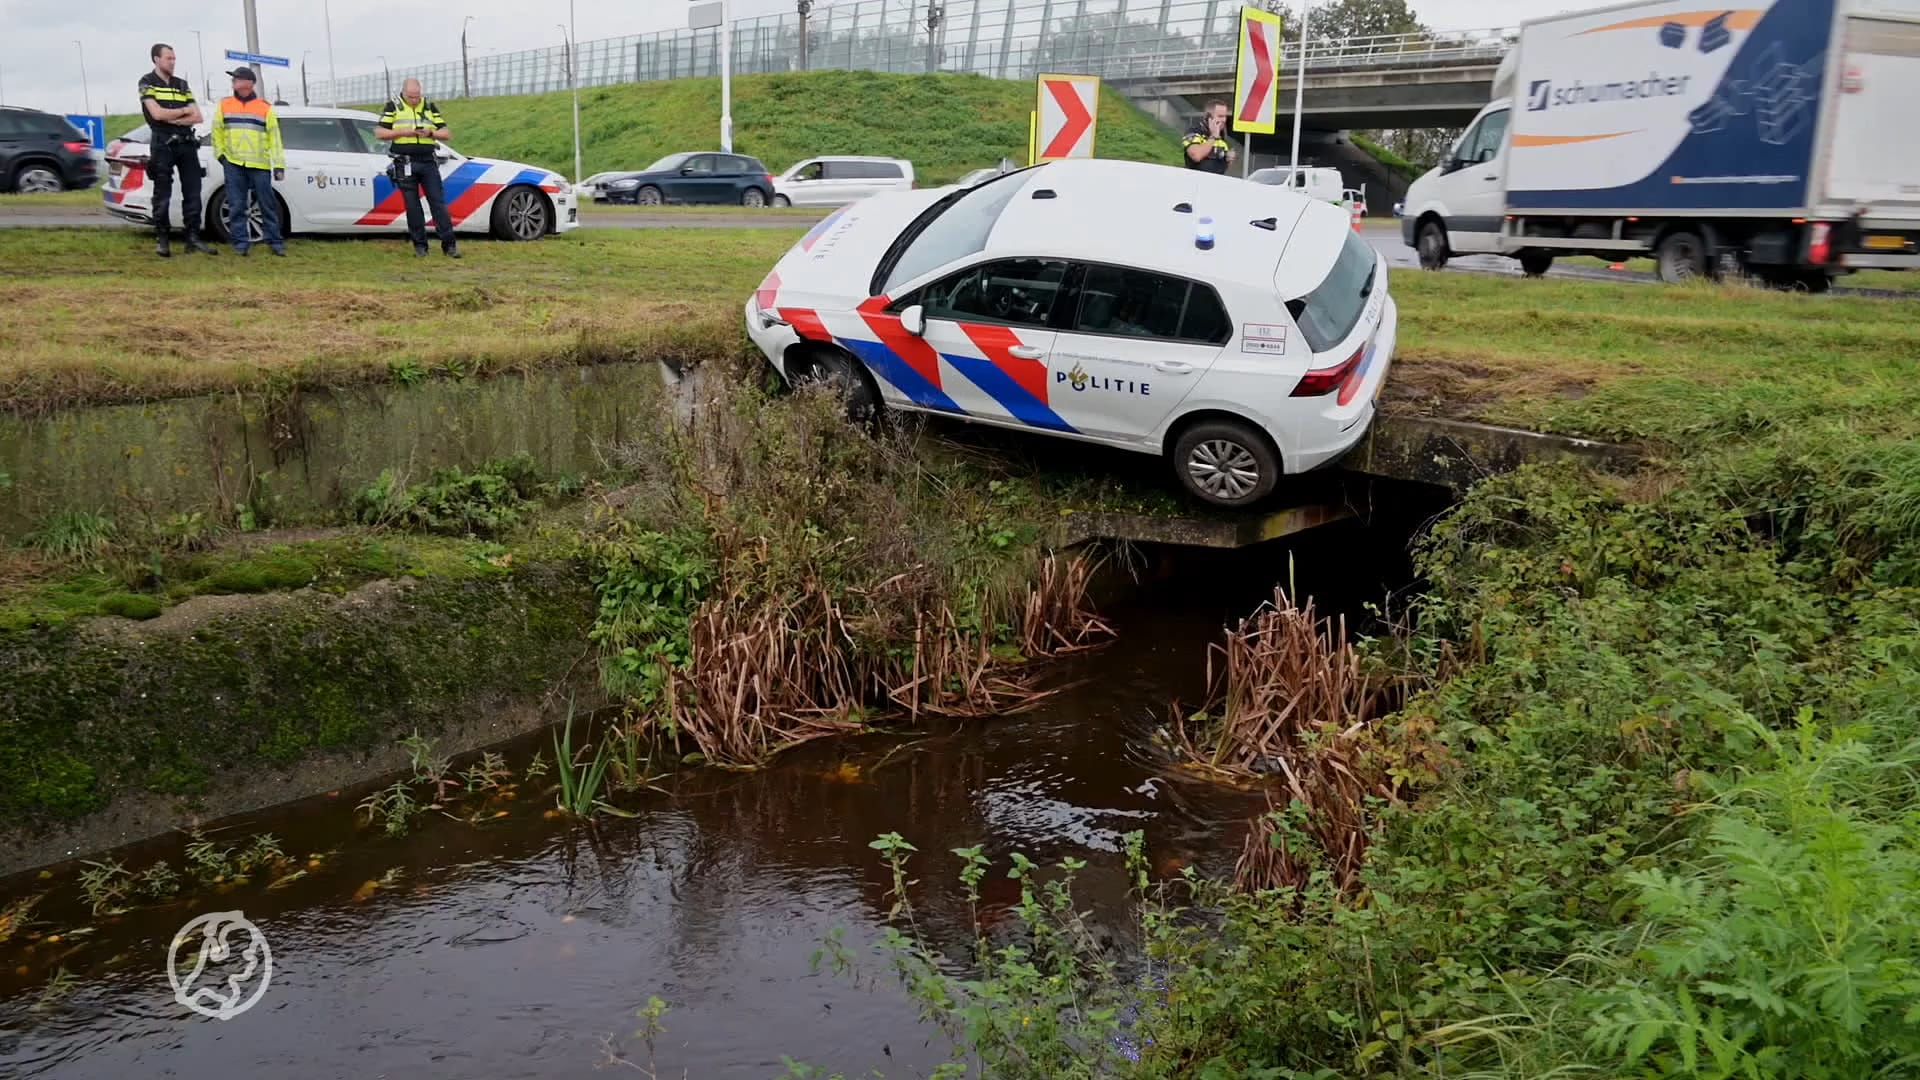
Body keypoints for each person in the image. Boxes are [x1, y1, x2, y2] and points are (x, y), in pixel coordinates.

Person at [138, 43, 214, 257]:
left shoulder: (181, 84)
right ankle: (162, 239)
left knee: (193, 190)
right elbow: (157, 114)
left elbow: (198, 116)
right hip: (163, 143)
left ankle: (192, 238)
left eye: (174, 58)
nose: (172, 62)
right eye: (168, 58)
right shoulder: (147, 82)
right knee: (162, 191)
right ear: (156, 59)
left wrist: (176, 118)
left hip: (186, 142)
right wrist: (183, 112)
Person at [376, 79, 458, 258]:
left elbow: (446, 133)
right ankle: (420, 246)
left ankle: (449, 245)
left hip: (428, 161)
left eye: (417, 96)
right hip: (405, 162)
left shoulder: (429, 106)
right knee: (412, 206)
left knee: (438, 203)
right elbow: (380, 133)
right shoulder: (393, 106)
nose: (414, 100)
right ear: (403, 93)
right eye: (411, 97)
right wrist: (403, 132)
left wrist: (431, 133)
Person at [210, 67, 286, 256]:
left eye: (237, 78)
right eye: (233, 79)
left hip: (259, 164)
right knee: (237, 205)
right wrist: (221, 156)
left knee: (267, 204)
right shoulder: (224, 105)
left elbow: (274, 138)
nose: (234, 81)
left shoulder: (264, 107)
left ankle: (274, 242)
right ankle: (241, 244)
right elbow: (216, 131)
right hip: (234, 163)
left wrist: (278, 164)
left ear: (249, 83)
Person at [1182, 99, 1236, 174]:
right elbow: (1196, 156)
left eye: (1225, 117)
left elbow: (1219, 167)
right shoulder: (1194, 132)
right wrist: (1213, 136)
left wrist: (1228, 159)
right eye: (1220, 116)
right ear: (1208, 117)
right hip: (1195, 182)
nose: (1224, 120)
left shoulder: (1223, 139)